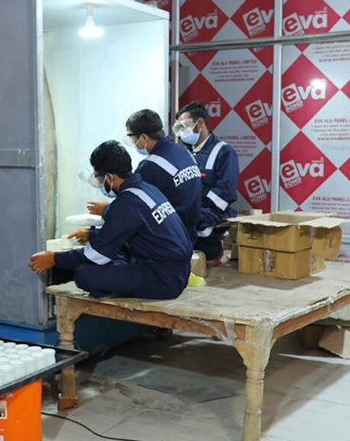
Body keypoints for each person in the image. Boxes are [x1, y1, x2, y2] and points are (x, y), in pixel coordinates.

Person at [29, 140, 192, 299]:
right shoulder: (147, 189)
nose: (99, 182)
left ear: (109, 177)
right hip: (179, 272)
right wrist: (90, 235)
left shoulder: (126, 203)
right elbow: (131, 234)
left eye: (99, 177)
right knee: (116, 257)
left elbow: (95, 255)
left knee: (84, 274)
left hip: (163, 279)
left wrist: (53, 259)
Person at [87, 109, 202, 244]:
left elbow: (132, 209)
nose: (132, 142)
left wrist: (107, 210)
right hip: (189, 233)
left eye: (131, 137)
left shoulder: (150, 166)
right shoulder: (183, 151)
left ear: (144, 138)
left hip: (167, 238)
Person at [174, 102, 239, 263]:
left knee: (191, 221)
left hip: (213, 210)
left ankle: (211, 253)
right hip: (189, 208)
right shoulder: (182, 152)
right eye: (178, 128)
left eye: (184, 126)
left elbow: (226, 192)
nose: (181, 132)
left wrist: (197, 206)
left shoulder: (224, 151)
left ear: (200, 123)